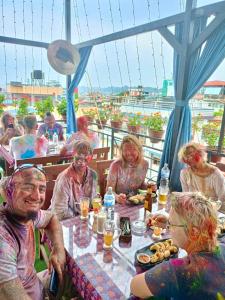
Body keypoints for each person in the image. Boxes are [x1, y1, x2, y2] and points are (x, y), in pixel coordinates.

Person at [130, 192, 225, 299]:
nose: (168, 228)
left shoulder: (178, 271)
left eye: (171, 224)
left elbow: (135, 286)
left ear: (193, 232)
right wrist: (171, 222)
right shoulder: (221, 247)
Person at [0, 164, 67, 299]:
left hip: (36, 283)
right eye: (28, 187)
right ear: (10, 191)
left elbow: (51, 218)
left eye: (41, 189)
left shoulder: (27, 215)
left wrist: (58, 249)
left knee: (70, 271)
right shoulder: (3, 239)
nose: (37, 196)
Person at [50, 140, 97, 220]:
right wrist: (80, 216)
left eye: (86, 157)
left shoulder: (93, 175)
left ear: (91, 158)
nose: (81, 162)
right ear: (73, 156)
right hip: (65, 222)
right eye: (78, 157)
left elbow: (93, 201)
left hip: (85, 219)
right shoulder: (65, 179)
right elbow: (59, 212)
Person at [178, 141, 225, 212]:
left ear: (201, 155)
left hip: (212, 212)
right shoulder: (184, 173)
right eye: (188, 162)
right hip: (192, 211)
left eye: (193, 158)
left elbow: (222, 202)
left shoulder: (216, 175)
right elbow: (185, 196)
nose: (191, 165)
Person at [106, 135, 149, 204]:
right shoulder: (115, 166)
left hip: (136, 203)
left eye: (133, 149)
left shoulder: (144, 164)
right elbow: (109, 191)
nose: (129, 153)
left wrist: (149, 187)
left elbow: (141, 184)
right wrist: (117, 197)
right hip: (118, 204)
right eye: (125, 150)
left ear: (139, 150)